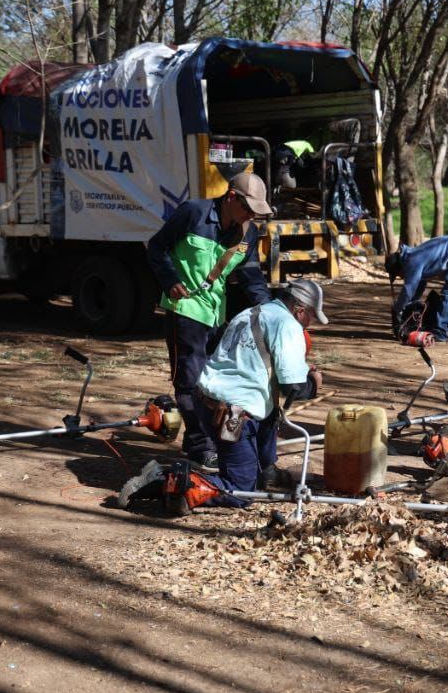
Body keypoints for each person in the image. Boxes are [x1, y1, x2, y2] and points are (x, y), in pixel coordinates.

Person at [117, 279, 327, 514]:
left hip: (208, 400)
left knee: (269, 417)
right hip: (233, 414)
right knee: (240, 492)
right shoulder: (288, 325)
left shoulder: (251, 312)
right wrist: (313, 383)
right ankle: (167, 481)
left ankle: (265, 471)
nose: (310, 324)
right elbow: (293, 388)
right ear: (299, 310)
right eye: (311, 317)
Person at [145, 172, 272, 471]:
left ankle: (197, 440)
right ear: (230, 197)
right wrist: (170, 280)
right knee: (190, 382)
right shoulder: (193, 213)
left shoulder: (248, 233)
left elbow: (251, 278)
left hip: (217, 314)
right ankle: (202, 446)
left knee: (217, 384)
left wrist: (270, 311)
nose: (252, 216)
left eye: (256, 211)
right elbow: (156, 248)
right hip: (185, 309)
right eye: (248, 208)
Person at [387, 236, 448, 342]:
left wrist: (398, 310)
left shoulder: (413, 261)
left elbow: (409, 289)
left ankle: (440, 332)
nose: (401, 277)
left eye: (398, 275)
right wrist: (408, 307)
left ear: (400, 267)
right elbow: (419, 287)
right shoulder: (413, 255)